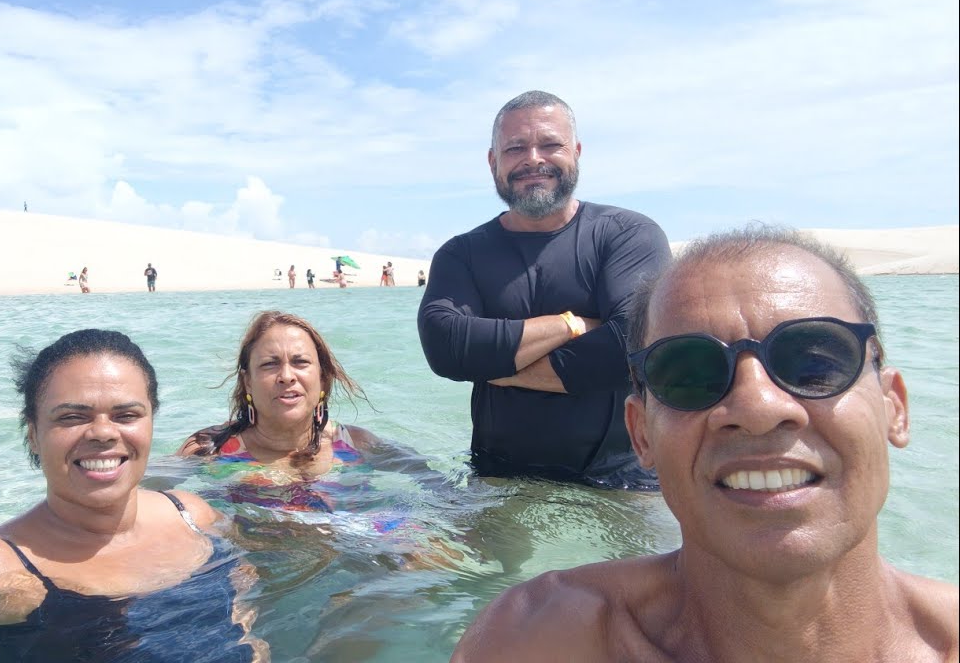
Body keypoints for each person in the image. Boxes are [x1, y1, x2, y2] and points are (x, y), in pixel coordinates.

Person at [451, 227, 959, 663]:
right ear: (641, 434)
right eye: (689, 375)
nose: (758, 407)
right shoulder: (536, 640)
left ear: (895, 407)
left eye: (814, 363)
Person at [0, 329, 262, 662]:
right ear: (34, 434)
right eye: (72, 417)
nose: (104, 433)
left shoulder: (193, 514)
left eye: (127, 414)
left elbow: (242, 592)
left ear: (150, 423)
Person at [417, 90, 671, 488]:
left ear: (577, 152)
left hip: (626, 477)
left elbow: (632, 345)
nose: (533, 158)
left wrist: (500, 367)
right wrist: (573, 325)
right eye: (516, 147)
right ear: (493, 162)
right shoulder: (462, 253)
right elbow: (446, 348)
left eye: (550, 144)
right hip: (498, 479)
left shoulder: (627, 235)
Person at [178, 311, 379, 482]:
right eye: (269, 364)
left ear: (323, 379)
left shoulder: (358, 444)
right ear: (247, 382)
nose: (286, 376)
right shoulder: (207, 450)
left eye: (300, 362)